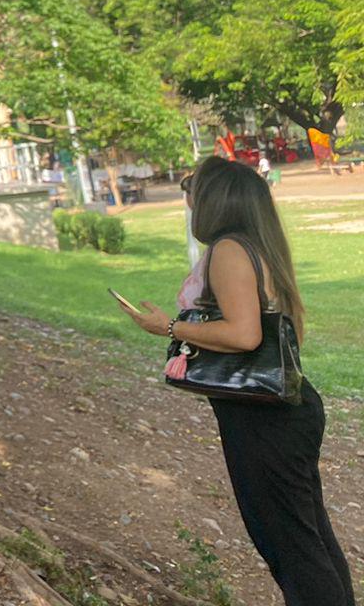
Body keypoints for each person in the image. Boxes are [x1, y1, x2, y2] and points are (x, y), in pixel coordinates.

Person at [118, 156, 355, 605]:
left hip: (264, 421)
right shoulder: (258, 246)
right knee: (308, 537)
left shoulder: (229, 250)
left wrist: (168, 327)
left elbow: (245, 335)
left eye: (191, 185)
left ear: (215, 199)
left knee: (290, 547)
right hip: (281, 413)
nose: (186, 193)